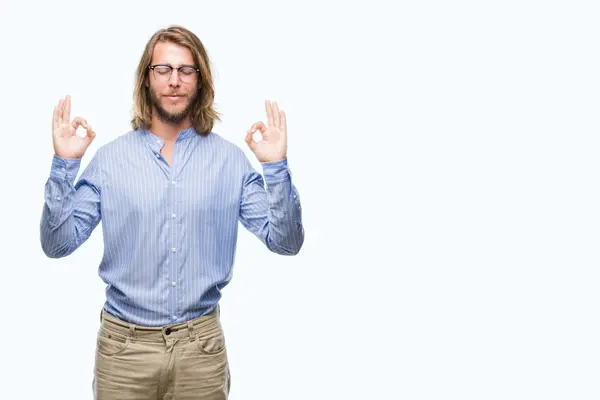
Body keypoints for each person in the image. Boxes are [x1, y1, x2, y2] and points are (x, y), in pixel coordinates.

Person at [40, 25, 304, 399]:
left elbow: (286, 243)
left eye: (185, 70)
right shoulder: (111, 160)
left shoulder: (230, 161)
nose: (174, 81)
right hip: (123, 352)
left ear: (201, 80)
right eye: (163, 70)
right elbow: (57, 244)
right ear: (146, 79)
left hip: (201, 351)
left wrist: (275, 168)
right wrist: (65, 165)